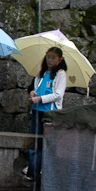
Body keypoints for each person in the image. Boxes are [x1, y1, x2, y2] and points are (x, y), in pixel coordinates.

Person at [26, 46, 67, 180]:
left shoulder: (61, 74)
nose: (50, 60)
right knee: (34, 143)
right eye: (48, 57)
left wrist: (40, 99)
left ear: (60, 60)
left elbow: (58, 94)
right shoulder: (41, 73)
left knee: (48, 144)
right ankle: (32, 173)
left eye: (53, 58)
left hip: (50, 113)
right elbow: (36, 88)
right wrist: (33, 94)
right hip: (37, 111)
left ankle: (46, 173)